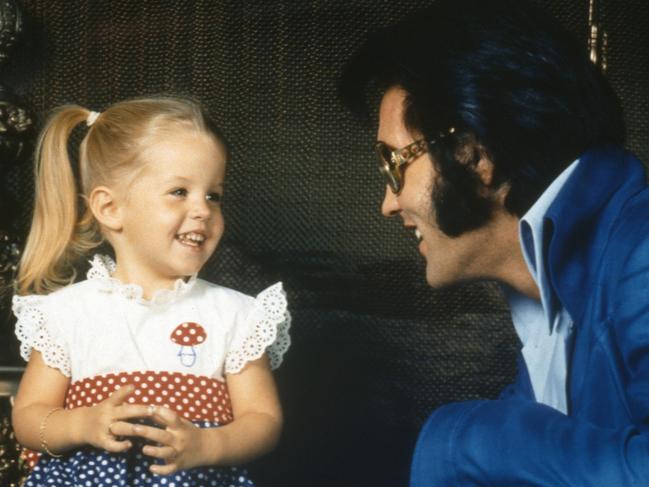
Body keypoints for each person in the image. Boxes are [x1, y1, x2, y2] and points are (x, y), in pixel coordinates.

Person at [341, 0, 649, 485]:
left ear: (473, 152)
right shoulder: (551, 302)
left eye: (393, 164)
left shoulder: (642, 254)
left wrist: (459, 438)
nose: (388, 203)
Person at [11, 96, 291, 486]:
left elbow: (263, 420)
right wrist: (81, 424)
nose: (203, 210)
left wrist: (208, 445)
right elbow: (28, 417)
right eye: (179, 191)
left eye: (214, 195)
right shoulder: (68, 314)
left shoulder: (234, 315)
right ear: (110, 208)